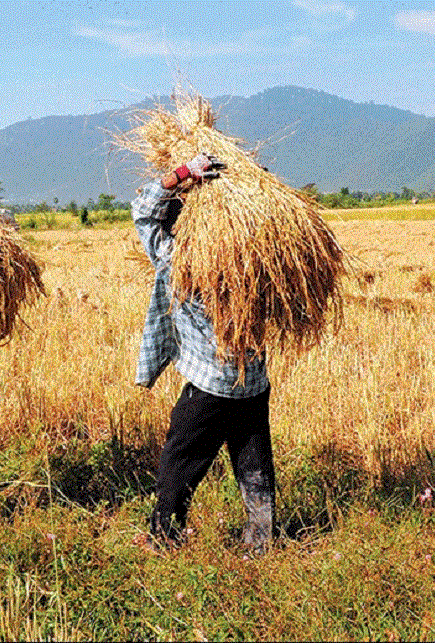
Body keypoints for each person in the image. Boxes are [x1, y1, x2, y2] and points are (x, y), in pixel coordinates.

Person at [132, 152, 275, 552]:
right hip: (253, 382)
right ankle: (260, 543)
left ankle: (164, 539)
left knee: (180, 461)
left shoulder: (182, 258)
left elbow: (143, 212)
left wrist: (181, 174)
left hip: (208, 386)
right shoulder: (260, 260)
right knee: (254, 463)